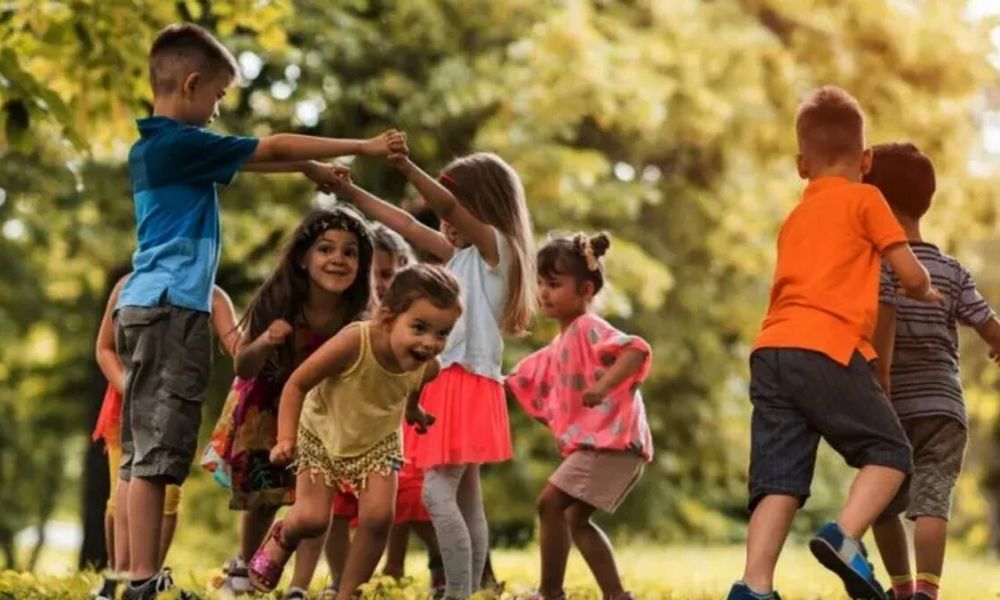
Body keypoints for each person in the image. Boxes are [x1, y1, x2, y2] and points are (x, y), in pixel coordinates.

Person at [116, 22, 400, 598]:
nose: (219, 111)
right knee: (159, 454)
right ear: (191, 84)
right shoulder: (178, 143)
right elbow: (270, 147)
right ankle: (144, 579)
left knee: (144, 450)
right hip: (172, 312)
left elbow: (261, 160)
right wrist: (361, 147)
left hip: (148, 308)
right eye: (218, 97)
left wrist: (309, 172)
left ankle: (137, 574)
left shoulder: (155, 148)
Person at [726, 86, 942, 600]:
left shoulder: (796, 217)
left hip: (772, 350)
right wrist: (925, 289)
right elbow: (907, 271)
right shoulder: (866, 198)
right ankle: (845, 537)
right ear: (866, 159)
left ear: (802, 165)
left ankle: (753, 586)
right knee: (891, 453)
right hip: (828, 346)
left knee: (778, 480)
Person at [324, 146, 536, 598]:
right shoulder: (462, 257)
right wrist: (349, 191)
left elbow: (443, 205)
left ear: (480, 206)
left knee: (437, 494)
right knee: (465, 499)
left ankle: (458, 591)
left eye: (453, 209)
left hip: (466, 381)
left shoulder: (497, 250)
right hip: (455, 382)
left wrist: (403, 164)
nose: (444, 221)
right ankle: (471, 589)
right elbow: (407, 225)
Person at [248, 265, 463, 600]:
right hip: (323, 432)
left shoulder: (428, 367)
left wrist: (412, 411)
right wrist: (286, 438)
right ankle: (284, 534)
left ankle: (349, 593)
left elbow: (415, 385)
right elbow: (297, 383)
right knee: (313, 519)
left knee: (379, 517)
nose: (430, 343)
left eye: (442, 333)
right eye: (419, 327)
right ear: (388, 319)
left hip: (378, 442)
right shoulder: (355, 340)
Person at [200, 207, 374, 599]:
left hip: (322, 412)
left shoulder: (359, 315)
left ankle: (299, 584)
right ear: (302, 257)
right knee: (264, 496)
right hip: (266, 404)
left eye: (350, 253)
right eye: (326, 249)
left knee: (314, 500)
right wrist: (265, 340)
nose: (337, 260)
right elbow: (244, 364)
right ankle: (245, 567)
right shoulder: (279, 298)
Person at [865, 143, 1000, 600]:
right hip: (943, 405)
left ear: (874, 203)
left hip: (889, 406)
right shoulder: (951, 270)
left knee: (881, 502)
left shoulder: (876, 266)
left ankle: (901, 591)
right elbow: (989, 326)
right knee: (932, 500)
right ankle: (927, 592)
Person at [507, 233, 652, 600]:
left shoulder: (588, 328)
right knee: (574, 520)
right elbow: (523, 378)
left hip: (611, 444)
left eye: (554, 284)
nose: (544, 292)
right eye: (540, 283)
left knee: (549, 504)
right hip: (612, 447)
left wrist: (604, 388)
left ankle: (550, 593)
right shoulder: (561, 343)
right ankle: (617, 595)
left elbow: (635, 351)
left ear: (586, 289)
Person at [91, 277, 238, 600]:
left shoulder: (211, 294)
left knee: (166, 494)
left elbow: (240, 348)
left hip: (173, 408)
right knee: (122, 492)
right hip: (124, 409)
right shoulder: (127, 285)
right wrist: (130, 390)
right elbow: (104, 349)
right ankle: (120, 576)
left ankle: (147, 579)